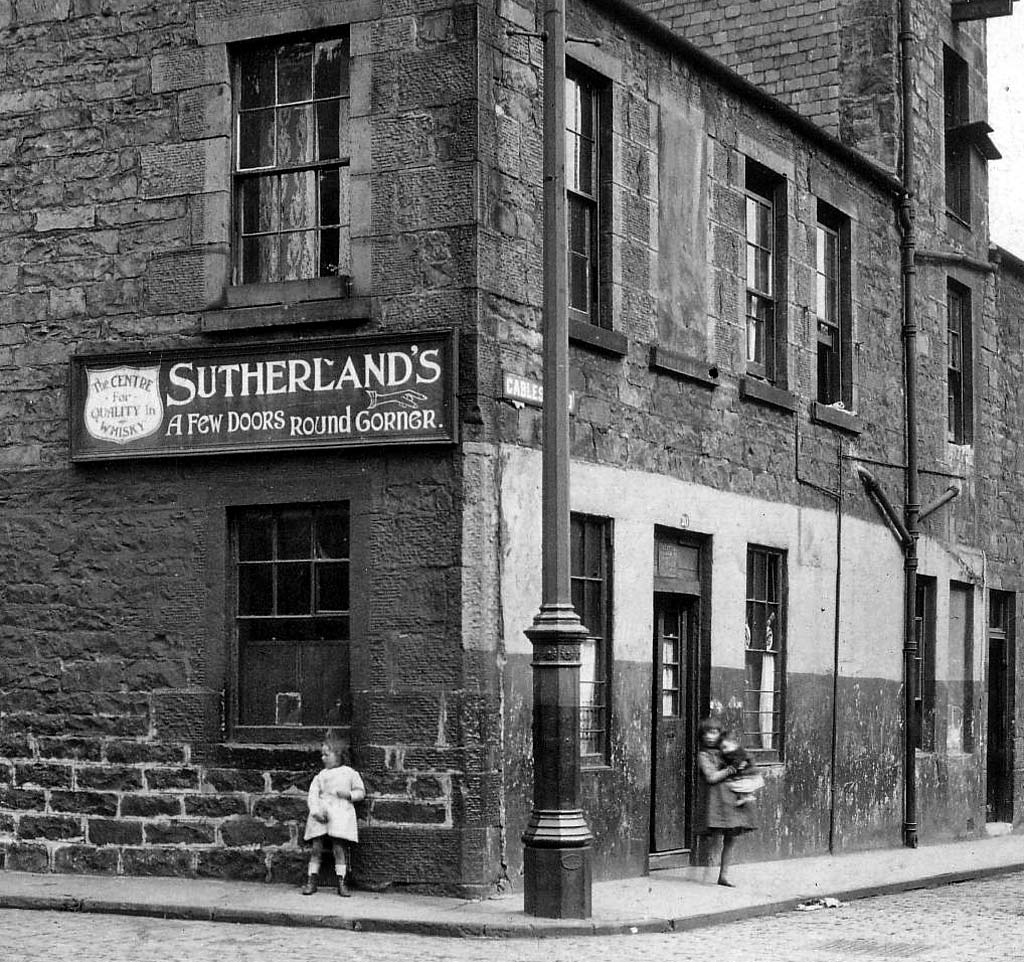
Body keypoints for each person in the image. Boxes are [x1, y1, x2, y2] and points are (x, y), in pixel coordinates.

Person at [693, 716, 757, 886]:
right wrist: (732, 769)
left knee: (731, 838)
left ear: (719, 734)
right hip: (716, 801)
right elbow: (712, 777)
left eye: (713, 732)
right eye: (706, 733)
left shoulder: (726, 748)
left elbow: (743, 759)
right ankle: (707, 873)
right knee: (715, 837)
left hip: (731, 798)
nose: (709, 736)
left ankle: (724, 875)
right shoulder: (703, 755)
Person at [302, 732, 366, 897]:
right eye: (322, 755)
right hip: (322, 814)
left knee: (339, 848)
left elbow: (360, 791)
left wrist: (349, 795)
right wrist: (316, 812)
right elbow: (313, 795)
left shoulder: (349, 773)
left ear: (338, 754)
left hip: (339, 814)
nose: (323, 758)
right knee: (316, 848)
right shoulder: (320, 776)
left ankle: (341, 881)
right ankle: (312, 879)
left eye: (327, 754)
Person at [719, 730, 764, 807]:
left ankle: (745, 796)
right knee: (736, 786)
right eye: (722, 748)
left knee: (742, 784)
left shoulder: (738, 752)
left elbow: (738, 761)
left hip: (744, 772)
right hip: (737, 772)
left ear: (734, 744)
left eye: (725, 747)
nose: (724, 750)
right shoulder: (727, 753)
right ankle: (743, 797)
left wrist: (734, 767)